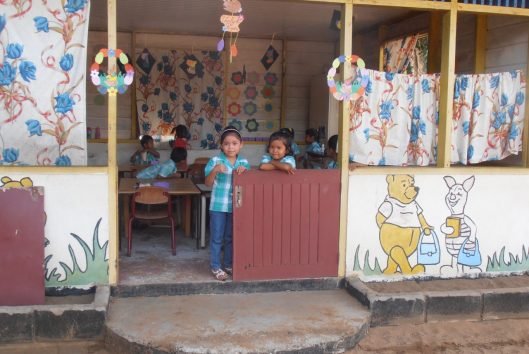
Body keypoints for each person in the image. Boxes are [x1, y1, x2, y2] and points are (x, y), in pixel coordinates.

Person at [204, 126, 250, 281]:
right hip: (218, 206)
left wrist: (245, 171)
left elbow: (248, 184)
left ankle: (229, 264)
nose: (230, 147)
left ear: (241, 145)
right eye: (226, 143)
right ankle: (216, 266)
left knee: (230, 237)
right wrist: (215, 170)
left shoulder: (244, 162)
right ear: (221, 145)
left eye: (234, 143)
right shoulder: (215, 161)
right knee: (217, 237)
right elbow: (208, 183)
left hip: (236, 206)